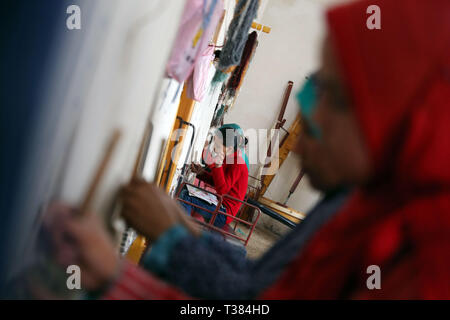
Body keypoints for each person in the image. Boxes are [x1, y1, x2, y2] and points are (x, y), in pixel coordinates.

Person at [48, 0, 450, 299]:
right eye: (317, 91)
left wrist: (169, 241)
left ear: (412, 123)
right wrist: (170, 234)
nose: (310, 119)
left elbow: (248, 287)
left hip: (225, 213)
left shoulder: (413, 268)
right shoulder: (358, 210)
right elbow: (266, 287)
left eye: (337, 98)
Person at [177, 124, 249, 228]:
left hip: (223, 212)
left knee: (185, 196)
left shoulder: (238, 163)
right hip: (218, 204)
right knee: (185, 189)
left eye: (218, 145)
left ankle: (181, 234)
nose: (215, 147)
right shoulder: (229, 158)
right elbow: (218, 182)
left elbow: (222, 190)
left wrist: (218, 166)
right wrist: (201, 173)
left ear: (228, 148)